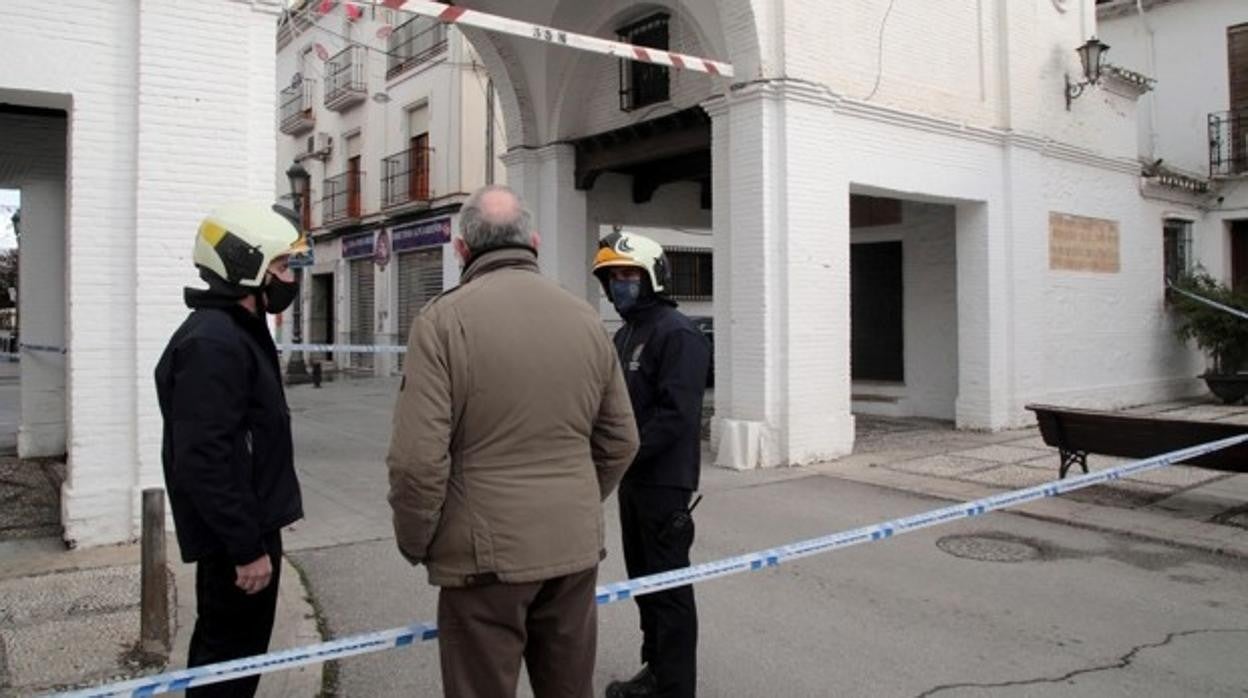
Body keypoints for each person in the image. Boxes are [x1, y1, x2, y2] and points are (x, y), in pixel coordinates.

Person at [387, 185, 640, 698]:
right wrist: (576, 498)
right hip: (571, 550)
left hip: (484, 561)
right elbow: (621, 439)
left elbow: (417, 463)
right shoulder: (586, 320)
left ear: (461, 250)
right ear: (536, 242)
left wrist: (419, 541)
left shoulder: (441, 322)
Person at [155, 202, 308, 697]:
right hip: (236, 544)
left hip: (247, 531)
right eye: (281, 266)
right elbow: (205, 459)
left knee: (237, 664)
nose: (290, 278)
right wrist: (247, 549)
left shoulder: (236, 331)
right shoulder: (214, 343)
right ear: (246, 267)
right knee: (225, 669)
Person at [592, 231, 711, 698]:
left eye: (628, 274)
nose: (619, 284)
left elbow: (676, 418)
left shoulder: (677, 333)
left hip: (664, 483)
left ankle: (675, 686)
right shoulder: (626, 334)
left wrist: (621, 452)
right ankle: (655, 668)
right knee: (643, 581)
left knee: (670, 588)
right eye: (612, 277)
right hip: (633, 481)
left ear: (651, 277)